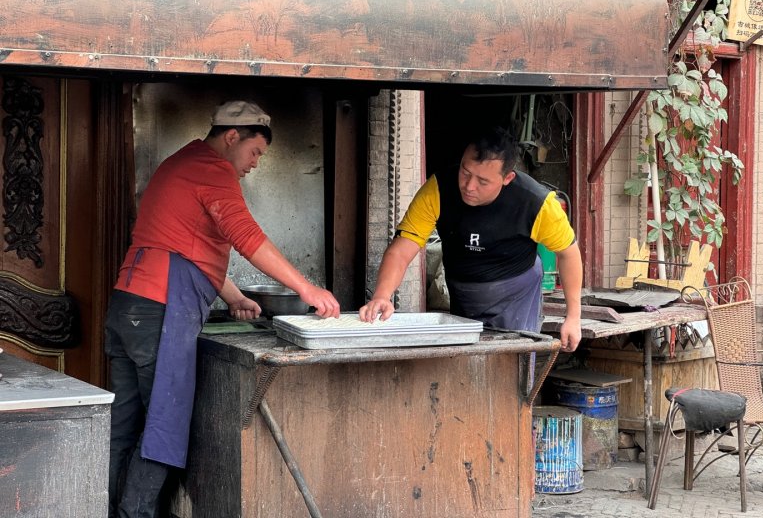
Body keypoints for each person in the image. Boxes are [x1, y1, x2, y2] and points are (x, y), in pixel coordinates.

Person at [105, 100, 340, 518]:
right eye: (255, 152)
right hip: (160, 310)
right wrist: (308, 288)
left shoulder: (179, 163)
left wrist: (232, 296)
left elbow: (179, 245)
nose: (254, 164)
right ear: (232, 137)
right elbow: (248, 238)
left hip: (129, 305)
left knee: (123, 428)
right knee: (163, 425)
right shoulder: (213, 170)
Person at [359, 126, 582, 352]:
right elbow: (402, 249)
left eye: (483, 181)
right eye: (465, 172)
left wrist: (573, 317)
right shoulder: (438, 189)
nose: (469, 186)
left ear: (508, 178)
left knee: (511, 366)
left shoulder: (536, 203)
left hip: (515, 293)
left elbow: (568, 253)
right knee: (463, 360)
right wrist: (382, 295)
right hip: (463, 289)